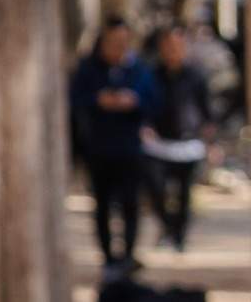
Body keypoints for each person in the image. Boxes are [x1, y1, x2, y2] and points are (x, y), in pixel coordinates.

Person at [68, 17, 162, 276]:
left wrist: (135, 102)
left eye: (122, 42)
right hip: (98, 149)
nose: (118, 48)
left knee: (131, 204)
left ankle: (128, 256)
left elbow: (155, 103)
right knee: (102, 205)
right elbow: (74, 101)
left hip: (131, 149)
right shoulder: (88, 70)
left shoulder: (139, 70)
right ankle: (108, 257)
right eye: (113, 42)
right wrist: (99, 100)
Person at [144, 25, 217, 253]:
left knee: (184, 195)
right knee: (157, 190)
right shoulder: (151, 75)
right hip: (159, 144)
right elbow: (142, 107)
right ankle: (167, 227)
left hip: (189, 144)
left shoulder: (197, 76)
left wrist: (212, 143)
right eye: (168, 45)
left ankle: (179, 236)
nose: (172, 50)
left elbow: (207, 111)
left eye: (177, 45)